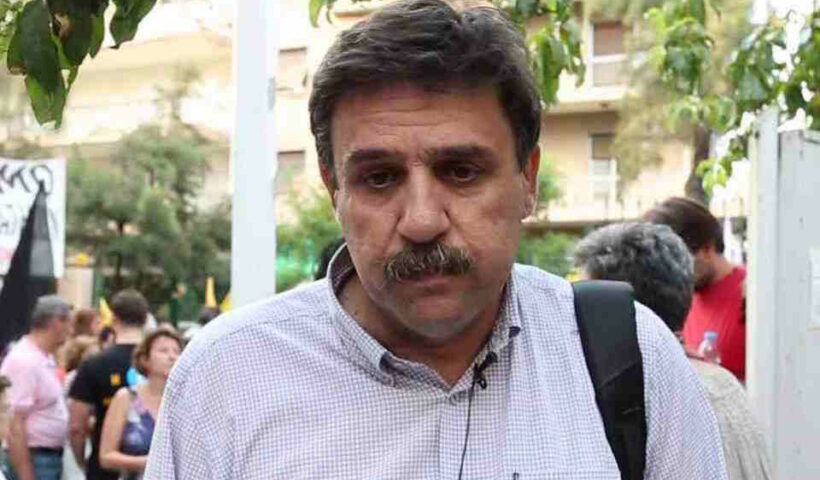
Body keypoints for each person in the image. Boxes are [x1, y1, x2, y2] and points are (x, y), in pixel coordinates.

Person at [145, 1, 726, 478]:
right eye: (379, 177)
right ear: (333, 188)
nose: (421, 221)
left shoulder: (634, 361)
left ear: (527, 179)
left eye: (461, 171)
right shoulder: (226, 381)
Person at [573, 222, 773, 479]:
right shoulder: (721, 383)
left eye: (587, 308)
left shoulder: (653, 398)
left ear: (617, 313)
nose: (577, 322)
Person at [644, 197, 747, 381]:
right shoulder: (673, 298)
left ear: (706, 249)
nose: (671, 271)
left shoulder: (750, 293)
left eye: (677, 261)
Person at [68, 290, 149, 480]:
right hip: (152, 467)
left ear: (113, 319)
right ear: (145, 320)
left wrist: (82, 460)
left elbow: (77, 425)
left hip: (105, 469)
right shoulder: (159, 363)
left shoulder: (93, 363)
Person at [0, 296, 73, 480]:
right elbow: (15, 423)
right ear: (56, 322)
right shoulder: (24, 360)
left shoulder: (44, 357)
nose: (71, 330)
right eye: (68, 323)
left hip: (47, 458)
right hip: (34, 458)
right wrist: (26, 475)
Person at [99, 328, 182, 480]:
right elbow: (106, 457)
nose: (172, 357)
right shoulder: (126, 398)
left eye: (177, 352)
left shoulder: (185, 401)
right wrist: (149, 463)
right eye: (163, 351)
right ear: (145, 359)